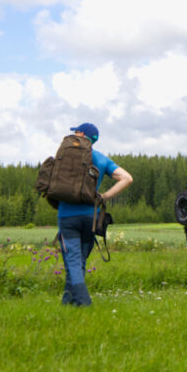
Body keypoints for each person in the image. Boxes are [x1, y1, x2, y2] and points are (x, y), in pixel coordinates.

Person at [57, 122, 133, 306]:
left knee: (73, 260)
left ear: (81, 134)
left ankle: (84, 302)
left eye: (76, 131)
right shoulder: (101, 159)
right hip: (91, 218)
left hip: (68, 217)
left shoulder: (65, 156)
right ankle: (67, 303)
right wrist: (104, 197)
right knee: (79, 260)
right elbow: (127, 178)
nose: (74, 133)